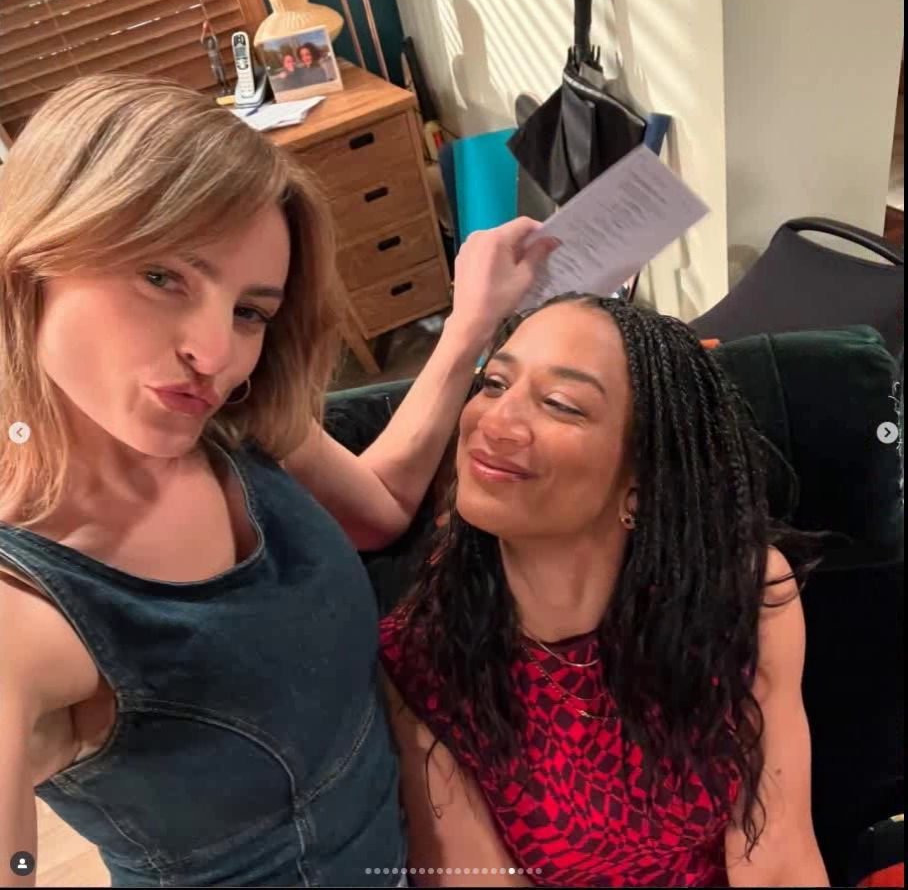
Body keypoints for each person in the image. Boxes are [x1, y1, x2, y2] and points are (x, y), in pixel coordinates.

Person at [0, 73, 557, 887]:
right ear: (32, 259)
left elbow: (379, 509)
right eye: (162, 277)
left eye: (249, 312)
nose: (215, 354)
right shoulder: (23, 610)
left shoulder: (228, 424)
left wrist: (471, 321)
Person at [380, 293, 831, 887]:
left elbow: (778, 856)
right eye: (493, 384)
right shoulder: (422, 654)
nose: (494, 422)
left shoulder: (741, 595)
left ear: (642, 480)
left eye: (560, 404)